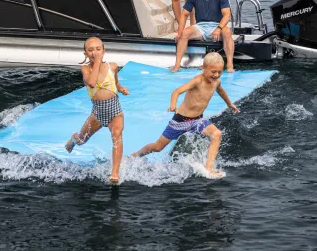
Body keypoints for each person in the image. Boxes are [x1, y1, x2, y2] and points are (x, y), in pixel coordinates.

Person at [131, 52, 239, 178]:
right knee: (158, 146)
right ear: (203, 68)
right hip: (180, 120)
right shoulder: (197, 81)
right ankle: (136, 155)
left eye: (219, 72)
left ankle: (208, 168)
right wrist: (173, 105)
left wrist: (229, 104)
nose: (216, 75)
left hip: (198, 120)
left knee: (217, 134)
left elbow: (221, 91)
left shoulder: (216, 82)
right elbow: (177, 91)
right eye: (213, 71)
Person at [64, 37, 129, 184]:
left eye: (98, 49)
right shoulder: (86, 69)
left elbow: (116, 81)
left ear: (104, 51)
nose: (95, 52)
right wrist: (98, 61)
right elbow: (92, 83)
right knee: (82, 140)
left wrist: (121, 88)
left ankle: (114, 172)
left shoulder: (113, 66)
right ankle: (75, 138)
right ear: (86, 54)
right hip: (97, 114)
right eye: (91, 50)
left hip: (115, 111)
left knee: (117, 134)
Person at [172, 0, 235, 73]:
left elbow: (227, 15)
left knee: (227, 32)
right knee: (185, 33)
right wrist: (180, 32)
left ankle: (229, 65)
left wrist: (219, 28)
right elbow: (184, 14)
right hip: (200, 27)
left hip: (217, 25)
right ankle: (177, 65)